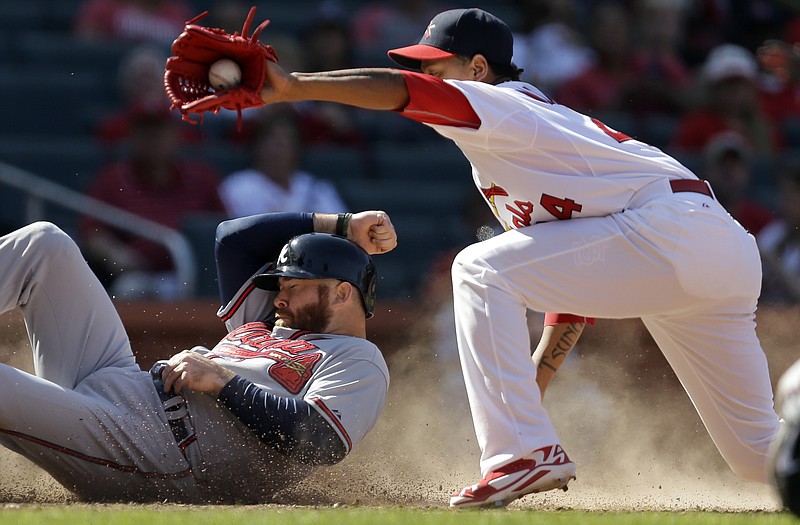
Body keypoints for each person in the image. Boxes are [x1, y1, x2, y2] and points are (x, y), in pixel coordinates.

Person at [253, 7, 781, 509]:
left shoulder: (506, 106)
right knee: (759, 455)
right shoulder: (512, 152)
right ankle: (525, 448)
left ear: (477, 68)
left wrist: (292, 86)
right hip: (716, 250)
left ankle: (520, 455)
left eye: (437, 67)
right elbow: (571, 289)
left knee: (477, 268)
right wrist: (532, 393)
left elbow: (404, 93)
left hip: (671, 227)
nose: (426, 75)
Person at [0, 209, 396, 502]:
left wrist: (226, 383)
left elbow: (319, 440)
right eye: (281, 285)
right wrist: (342, 226)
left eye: (296, 286)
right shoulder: (264, 320)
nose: (281, 296)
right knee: (45, 243)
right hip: (120, 388)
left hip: (156, 453)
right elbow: (233, 238)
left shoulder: (358, 359)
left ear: (343, 293)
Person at [80, 104, 226, 299]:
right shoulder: (113, 178)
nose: (152, 138)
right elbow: (92, 233)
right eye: (144, 131)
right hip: (142, 277)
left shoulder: (201, 176)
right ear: (131, 135)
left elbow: (224, 228)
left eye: (159, 130)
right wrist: (116, 254)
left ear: (175, 134)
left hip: (198, 276)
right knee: (130, 290)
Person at [219, 106, 348, 219]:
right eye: (274, 143)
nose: (280, 151)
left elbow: (341, 231)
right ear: (257, 147)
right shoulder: (237, 186)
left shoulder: (316, 188)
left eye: (287, 144)